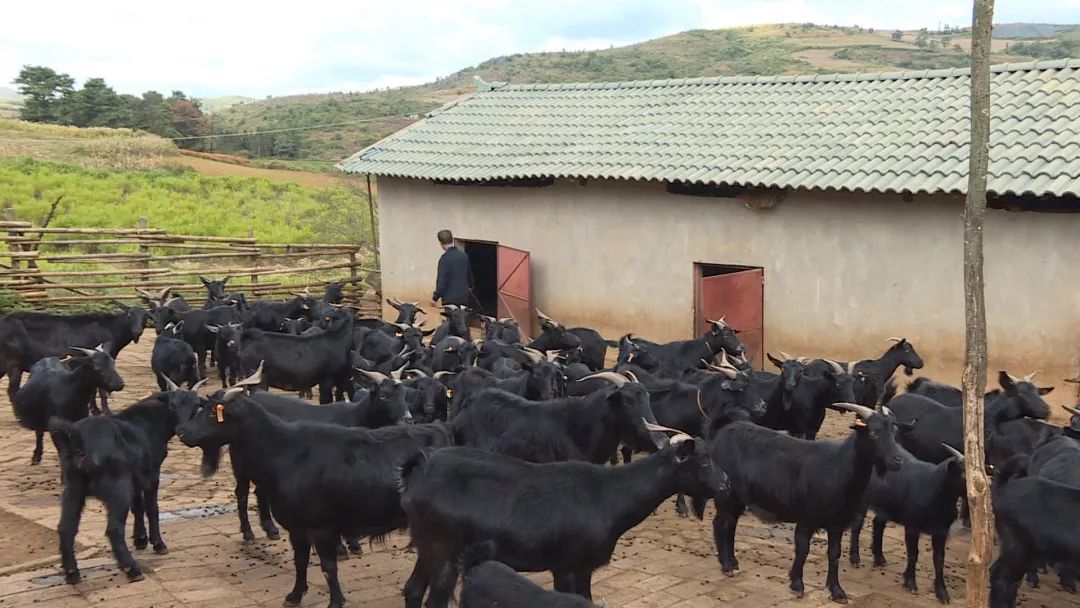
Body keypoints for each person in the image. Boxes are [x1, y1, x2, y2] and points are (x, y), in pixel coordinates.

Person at [432, 229, 470, 307]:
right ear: (452, 240)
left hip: (450, 299)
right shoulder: (464, 256)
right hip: (464, 298)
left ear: (441, 243)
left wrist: (435, 298)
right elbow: (469, 276)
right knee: (462, 318)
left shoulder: (444, 259)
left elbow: (442, 281)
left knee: (452, 319)